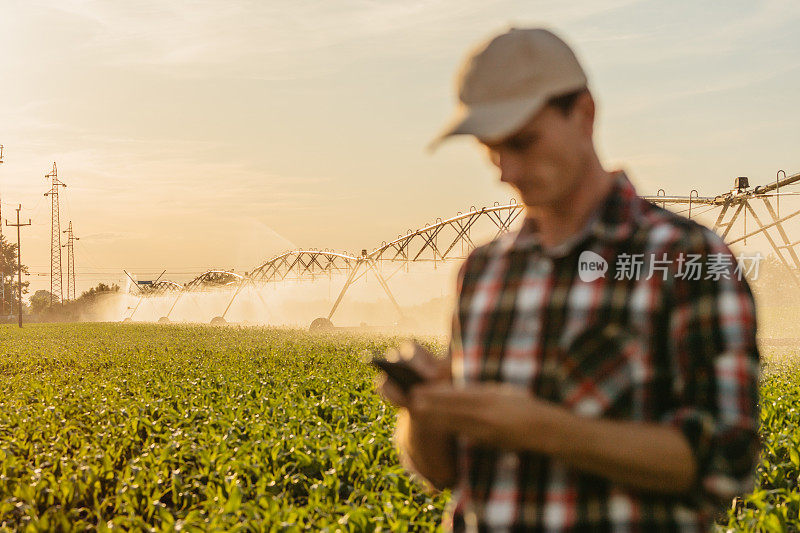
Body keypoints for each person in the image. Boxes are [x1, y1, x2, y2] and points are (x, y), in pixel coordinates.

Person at [377, 27, 760, 532]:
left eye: (522, 142)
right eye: (491, 148)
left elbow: (723, 462)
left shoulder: (685, 257)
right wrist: (424, 411)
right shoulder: (484, 271)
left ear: (584, 113)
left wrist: (543, 430)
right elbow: (447, 472)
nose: (505, 170)